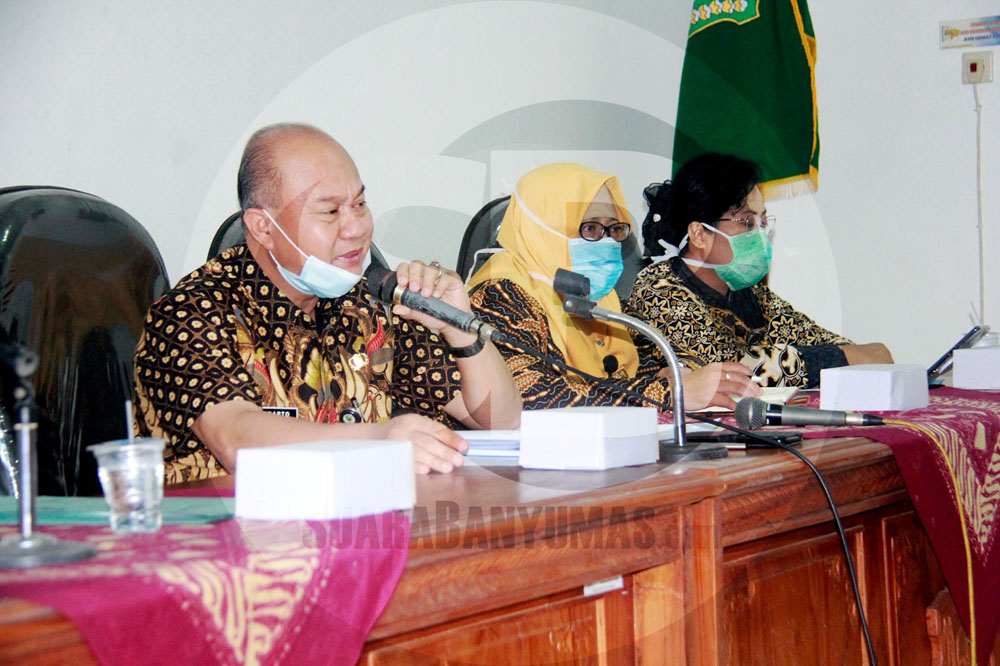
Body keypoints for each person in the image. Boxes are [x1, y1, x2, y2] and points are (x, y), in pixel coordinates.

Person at [134, 123, 522, 483]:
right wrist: (379, 439)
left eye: (360, 204)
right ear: (263, 227)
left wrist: (459, 329)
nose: (356, 228)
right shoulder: (191, 312)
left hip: (355, 528)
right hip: (224, 539)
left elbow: (500, 422)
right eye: (331, 211)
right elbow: (236, 440)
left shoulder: (367, 302)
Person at [467, 162, 759, 412]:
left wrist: (679, 374)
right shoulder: (498, 295)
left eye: (615, 229)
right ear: (544, 229)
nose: (608, 242)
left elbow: (657, 355)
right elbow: (531, 397)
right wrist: (670, 394)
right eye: (590, 228)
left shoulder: (601, 297)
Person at [627, 152, 892, 388]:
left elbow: (836, 345)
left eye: (762, 223)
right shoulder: (658, 288)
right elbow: (725, 372)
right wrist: (844, 358)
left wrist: (849, 355)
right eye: (747, 223)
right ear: (699, 233)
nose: (760, 235)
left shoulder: (749, 292)